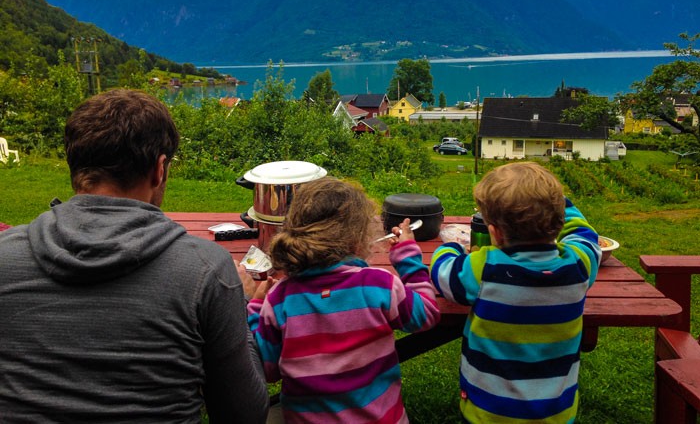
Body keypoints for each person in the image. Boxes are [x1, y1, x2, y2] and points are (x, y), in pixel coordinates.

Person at [0, 89, 269, 423]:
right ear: (159, 169)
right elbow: (244, 415)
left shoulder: (5, 256)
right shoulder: (205, 271)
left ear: (74, 164)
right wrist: (238, 305)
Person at [247, 177, 441, 424]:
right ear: (358, 238)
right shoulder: (378, 285)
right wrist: (408, 258)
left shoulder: (280, 299)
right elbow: (426, 315)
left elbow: (266, 368)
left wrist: (254, 307)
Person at [430, 161, 601, 423]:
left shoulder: (485, 267)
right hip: (556, 412)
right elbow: (584, 233)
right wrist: (556, 200)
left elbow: (443, 274)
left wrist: (450, 247)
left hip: (489, 412)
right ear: (559, 221)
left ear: (495, 233)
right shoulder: (579, 264)